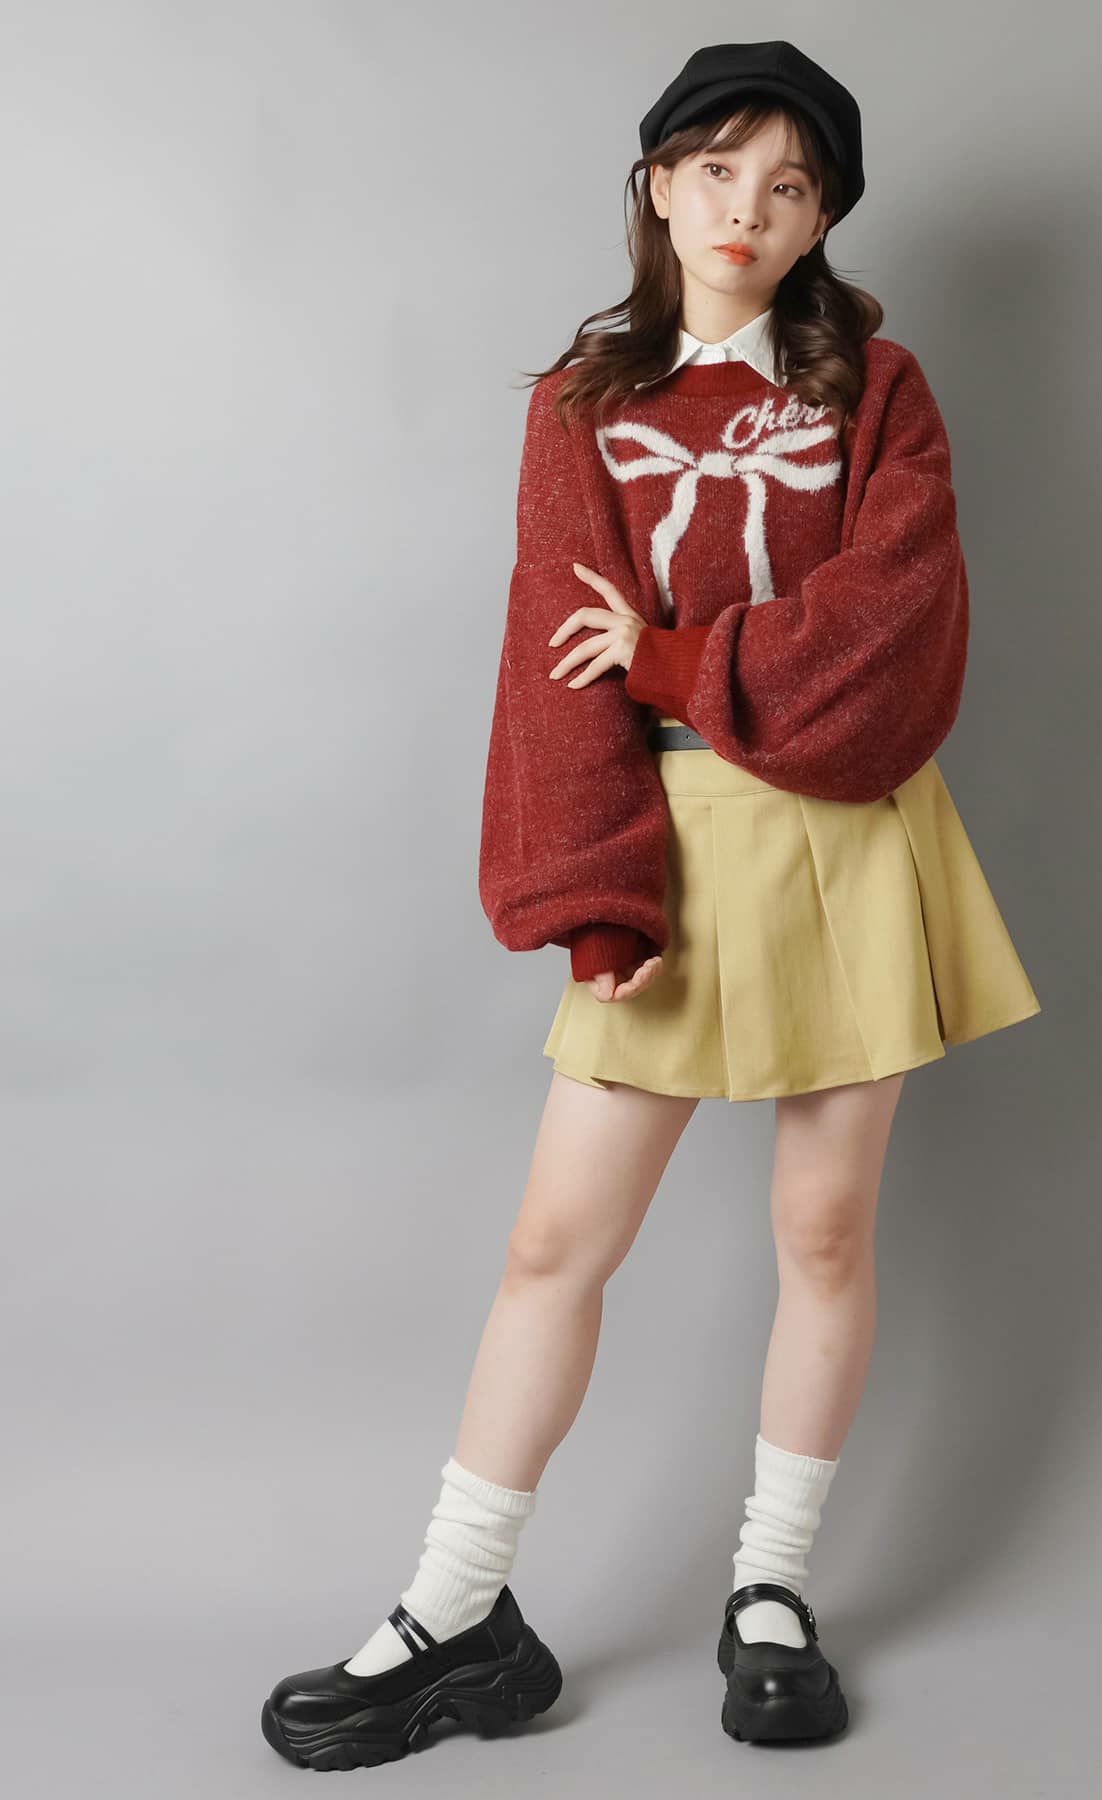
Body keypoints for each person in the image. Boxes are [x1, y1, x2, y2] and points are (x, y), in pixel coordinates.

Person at [260, 39, 1040, 1769]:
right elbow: (554, 671)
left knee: (824, 1235)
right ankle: (458, 1607)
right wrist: (597, 898)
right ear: (658, 186)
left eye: (789, 185)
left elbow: (896, 634)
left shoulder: (880, 390)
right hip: (669, 847)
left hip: (852, 839)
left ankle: (772, 1593)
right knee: (555, 1245)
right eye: (715, 171)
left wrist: (677, 654)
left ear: (823, 216)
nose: (747, 209)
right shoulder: (582, 405)